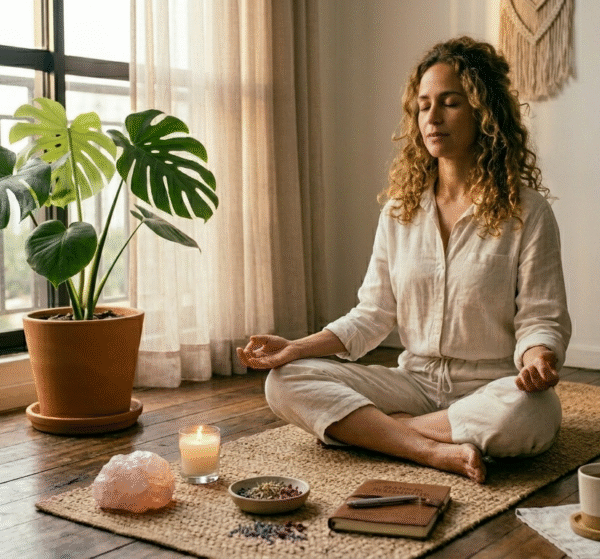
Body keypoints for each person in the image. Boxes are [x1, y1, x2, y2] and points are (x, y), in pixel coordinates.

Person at [236, 36, 571, 484]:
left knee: (532, 412)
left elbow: (540, 317)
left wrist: (538, 357)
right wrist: (296, 348)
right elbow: (372, 314)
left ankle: (383, 432)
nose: (432, 118)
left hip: (490, 387)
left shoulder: (527, 211)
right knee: (284, 381)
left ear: (483, 112)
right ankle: (430, 449)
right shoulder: (400, 210)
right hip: (413, 384)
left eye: (450, 103)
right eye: (423, 105)